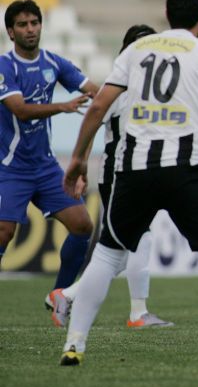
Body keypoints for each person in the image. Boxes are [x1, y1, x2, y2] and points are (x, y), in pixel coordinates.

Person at [58, 0, 198, 366]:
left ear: (167, 14)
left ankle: (74, 344)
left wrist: (76, 159)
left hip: (133, 170)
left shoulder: (136, 50)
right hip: (184, 171)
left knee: (106, 257)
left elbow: (98, 107)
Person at [49, 24, 173, 329]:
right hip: (118, 174)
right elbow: (93, 121)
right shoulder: (118, 86)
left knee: (118, 251)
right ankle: (138, 313)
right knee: (140, 238)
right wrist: (80, 167)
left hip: (139, 173)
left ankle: (65, 295)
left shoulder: (154, 88)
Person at [0, 0, 98, 305]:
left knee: (82, 225)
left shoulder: (54, 63)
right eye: (22, 24)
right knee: (4, 232)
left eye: (34, 23)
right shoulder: (5, 66)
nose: (30, 29)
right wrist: (63, 106)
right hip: (10, 167)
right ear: (11, 32)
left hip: (45, 167)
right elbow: (20, 110)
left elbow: (96, 94)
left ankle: (60, 297)